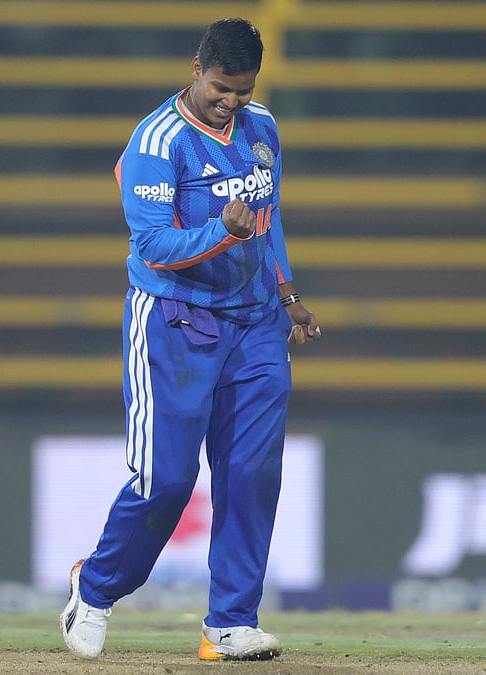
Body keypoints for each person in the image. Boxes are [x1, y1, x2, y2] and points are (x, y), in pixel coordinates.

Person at [60, 17, 320, 662]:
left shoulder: (261, 126)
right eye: (220, 88)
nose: (230, 101)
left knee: (252, 472)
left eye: (242, 89)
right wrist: (223, 235)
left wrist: (287, 295)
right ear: (195, 68)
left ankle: (229, 622)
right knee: (167, 480)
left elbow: (270, 215)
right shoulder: (158, 141)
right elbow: (150, 245)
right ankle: (93, 589)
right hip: (178, 319)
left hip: (256, 322)